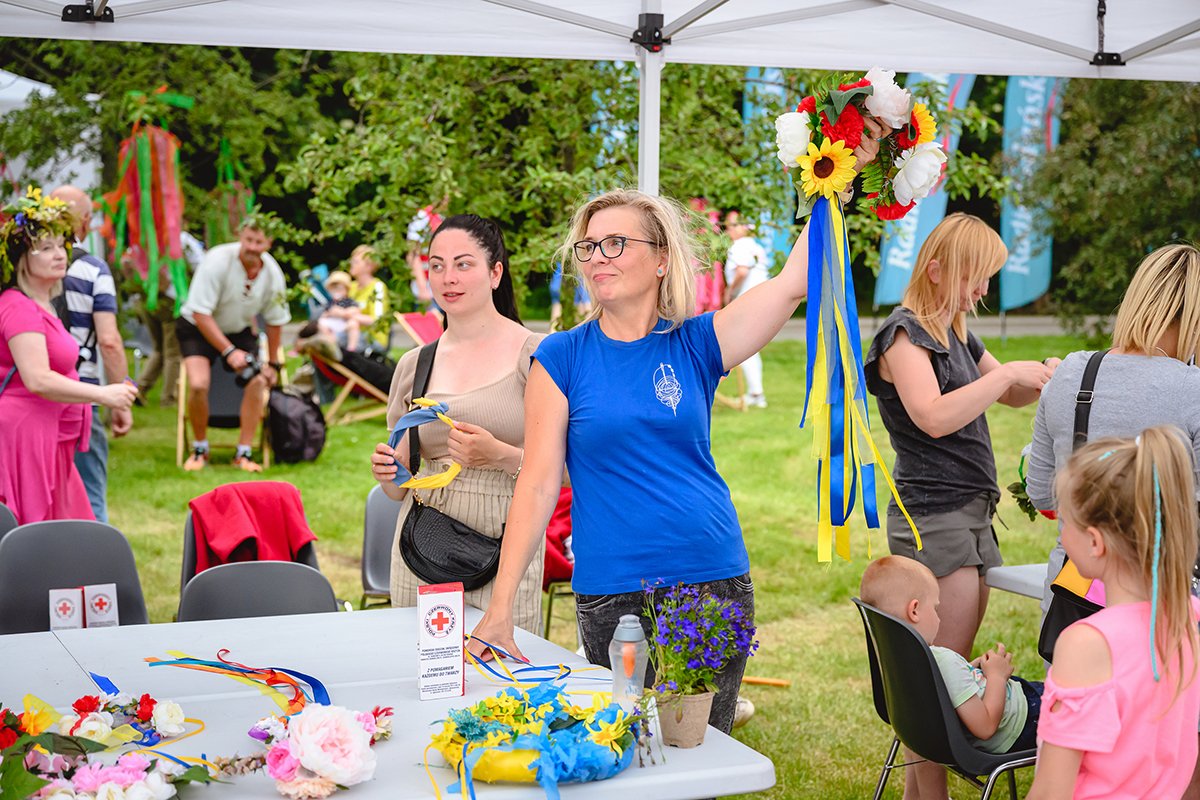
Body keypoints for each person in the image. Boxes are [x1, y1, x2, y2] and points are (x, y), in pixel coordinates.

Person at [465, 117, 885, 736]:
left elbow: (797, 280)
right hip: (611, 592)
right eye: (588, 247)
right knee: (624, 757)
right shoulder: (560, 356)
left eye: (616, 243)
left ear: (662, 260)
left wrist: (835, 179)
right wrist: (499, 610)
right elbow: (536, 481)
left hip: (709, 579)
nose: (598, 257)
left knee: (698, 753)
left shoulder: (697, 342)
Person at [863, 213, 1057, 660]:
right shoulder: (903, 335)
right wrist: (1007, 371)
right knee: (947, 660)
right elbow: (931, 416)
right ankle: (932, 734)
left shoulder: (955, 335)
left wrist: (1051, 377)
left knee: (957, 656)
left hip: (971, 512)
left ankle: (950, 732)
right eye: (978, 277)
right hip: (935, 515)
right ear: (937, 271)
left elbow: (1008, 394)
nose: (984, 291)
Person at [369, 214, 546, 632]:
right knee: (423, 683)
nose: (448, 277)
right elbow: (399, 489)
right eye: (437, 265)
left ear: (495, 272)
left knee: (506, 685)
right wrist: (389, 473)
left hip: (507, 546)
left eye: (464, 264)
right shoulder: (415, 365)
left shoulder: (536, 356)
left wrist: (500, 456)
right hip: (422, 548)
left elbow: (571, 471)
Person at [1027, 427, 1200, 800]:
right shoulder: (1190, 620)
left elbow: (1051, 791)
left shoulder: (1086, 644)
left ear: (1094, 542)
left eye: (1065, 521)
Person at [0, 187, 136, 524]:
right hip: (25, 438)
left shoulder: (44, 304)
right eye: (46, 248)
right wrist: (104, 394)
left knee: (70, 531)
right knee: (36, 536)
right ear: (22, 258)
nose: (60, 254)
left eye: (62, 245)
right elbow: (37, 379)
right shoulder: (18, 307)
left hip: (54, 439)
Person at [861, 555, 1043, 799]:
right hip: (1023, 720)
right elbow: (986, 726)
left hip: (1013, 709)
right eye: (935, 608)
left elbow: (945, 690)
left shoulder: (902, 659)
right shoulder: (942, 660)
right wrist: (997, 677)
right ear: (914, 610)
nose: (938, 616)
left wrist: (970, 671)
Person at [177, 215, 290, 472]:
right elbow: (200, 313)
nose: (252, 246)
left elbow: (276, 320)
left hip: (238, 329)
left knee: (258, 381)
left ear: (268, 243)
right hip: (196, 328)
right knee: (197, 384)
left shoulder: (273, 273)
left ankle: (244, 453)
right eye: (248, 239)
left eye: (258, 242)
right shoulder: (217, 260)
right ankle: (199, 449)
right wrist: (228, 351)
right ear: (240, 236)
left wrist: (272, 363)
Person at [49, 185, 134, 524]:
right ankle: (96, 567)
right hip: (83, 394)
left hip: (32, 392)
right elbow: (110, 341)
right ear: (85, 223)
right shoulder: (94, 270)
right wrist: (120, 394)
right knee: (89, 494)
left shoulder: (18, 269)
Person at [135, 227, 204, 406]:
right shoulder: (183, 240)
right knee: (173, 352)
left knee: (158, 349)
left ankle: (140, 388)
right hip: (171, 301)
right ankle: (169, 398)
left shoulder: (147, 235)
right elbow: (201, 265)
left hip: (147, 299)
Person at [722, 209, 771, 408]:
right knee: (750, 348)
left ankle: (757, 394)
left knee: (745, 348)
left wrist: (729, 291)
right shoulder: (755, 247)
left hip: (748, 301)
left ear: (743, 227)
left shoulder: (739, 246)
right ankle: (756, 392)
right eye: (727, 226)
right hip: (760, 300)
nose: (728, 230)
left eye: (732, 226)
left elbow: (742, 271)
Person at [406, 196, 448, 312]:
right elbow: (413, 254)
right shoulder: (422, 217)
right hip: (428, 289)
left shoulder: (447, 218)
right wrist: (422, 288)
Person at [347, 244, 389, 352]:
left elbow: (377, 320)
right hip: (351, 332)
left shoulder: (377, 287)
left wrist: (351, 316)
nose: (351, 264)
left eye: (356, 262)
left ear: (369, 266)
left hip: (373, 338)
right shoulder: (351, 287)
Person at [316, 270, 362, 352]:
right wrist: (329, 314)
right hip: (333, 326)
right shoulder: (330, 303)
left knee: (353, 324)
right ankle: (331, 343)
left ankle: (351, 348)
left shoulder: (349, 301)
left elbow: (355, 310)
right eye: (334, 289)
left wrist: (342, 313)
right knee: (321, 323)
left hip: (344, 324)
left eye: (340, 289)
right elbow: (325, 313)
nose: (336, 291)